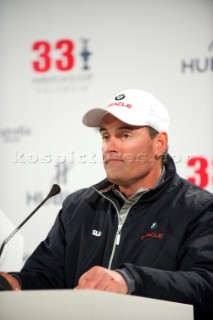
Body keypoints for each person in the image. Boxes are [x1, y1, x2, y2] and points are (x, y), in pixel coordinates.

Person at [0, 89, 213, 319]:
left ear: (159, 144)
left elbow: (206, 285)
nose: (110, 147)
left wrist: (130, 281)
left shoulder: (199, 208)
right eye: (105, 136)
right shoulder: (78, 206)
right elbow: (46, 277)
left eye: (124, 136)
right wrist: (15, 282)